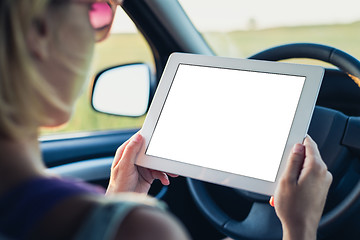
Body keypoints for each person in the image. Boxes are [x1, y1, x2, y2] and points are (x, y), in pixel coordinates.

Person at [0, 0, 332, 240]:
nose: (98, 35)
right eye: (97, 10)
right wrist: (300, 227)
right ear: (38, 31)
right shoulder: (142, 230)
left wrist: (117, 200)